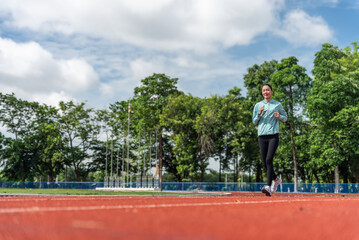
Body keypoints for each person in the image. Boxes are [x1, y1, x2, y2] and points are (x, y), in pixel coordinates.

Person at [252, 84, 287, 196]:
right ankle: (276, 179)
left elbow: (285, 117)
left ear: (272, 91)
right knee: (265, 162)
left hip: (273, 135)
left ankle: (268, 187)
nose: (265, 92)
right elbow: (254, 121)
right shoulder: (258, 105)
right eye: (263, 90)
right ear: (262, 93)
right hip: (261, 135)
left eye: (267, 90)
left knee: (268, 160)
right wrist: (259, 113)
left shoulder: (277, 104)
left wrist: (279, 117)